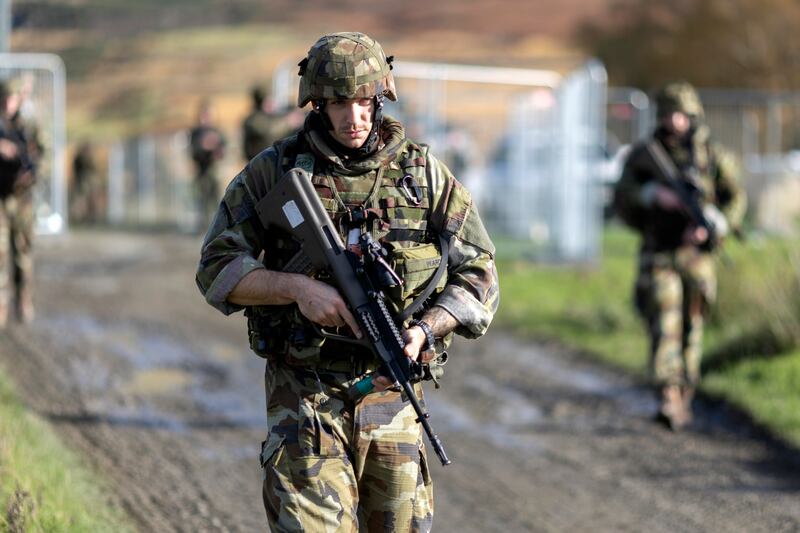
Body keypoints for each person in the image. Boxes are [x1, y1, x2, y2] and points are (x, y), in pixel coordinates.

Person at [196, 32, 499, 531]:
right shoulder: (274, 172)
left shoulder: (421, 175)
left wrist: (424, 329)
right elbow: (216, 267)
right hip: (305, 402)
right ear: (316, 101)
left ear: (380, 98)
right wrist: (297, 289)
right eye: (338, 102)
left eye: (364, 101)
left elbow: (480, 272)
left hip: (393, 402)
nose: (353, 116)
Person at [613, 81, 746, 430]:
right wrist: (651, 194)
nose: (676, 121)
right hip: (659, 252)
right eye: (670, 114)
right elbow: (622, 194)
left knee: (693, 324)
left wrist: (714, 225)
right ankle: (668, 394)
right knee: (664, 320)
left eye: (682, 114)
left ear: (693, 115)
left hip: (697, 256)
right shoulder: (647, 154)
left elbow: (735, 199)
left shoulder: (712, 156)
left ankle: (686, 389)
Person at [0, 79, 38, 326]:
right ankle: (1, 305)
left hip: (22, 198)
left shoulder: (28, 127)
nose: (7, 104)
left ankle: (23, 299)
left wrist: (31, 172)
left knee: (22, 254)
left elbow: (40, 157)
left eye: (11, 98)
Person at [189, 100, 227, 229]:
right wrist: (205, 147)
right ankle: (203, 226)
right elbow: (194, 151)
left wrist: (217, 150)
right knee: (202, 198)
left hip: (214, 171)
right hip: (202, 171)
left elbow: (223, 150)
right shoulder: (196, 132)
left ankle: (217, 226)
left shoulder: (216, 131)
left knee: (216, 199)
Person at [241, 86, 302, 162]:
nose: (273, 104)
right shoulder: (253, 120)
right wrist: (288, 122)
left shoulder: (270, 116)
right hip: (259, 165)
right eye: (268, 101)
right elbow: (270, 130)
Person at [71, 140, 100, 223]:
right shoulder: (79, 158)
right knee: (81, 201)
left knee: (91, 201)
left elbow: (94, 170)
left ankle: (90, 218)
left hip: (89, 183)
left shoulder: (90, 158)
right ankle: (81, 218)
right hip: (82, 182)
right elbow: (77, 170)